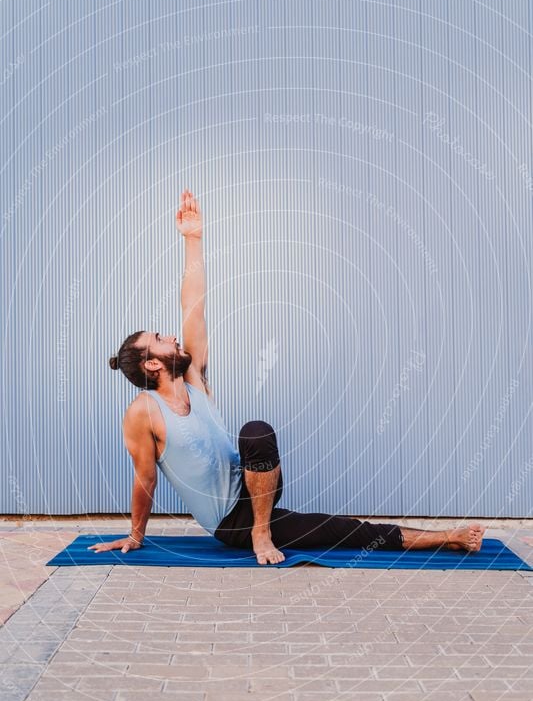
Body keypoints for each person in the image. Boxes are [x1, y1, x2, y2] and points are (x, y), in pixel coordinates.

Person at [91, 190, 485, 565]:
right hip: (233, 524)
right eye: (160, 339)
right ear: (151, 364)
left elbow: (193, 306)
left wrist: (193, 239)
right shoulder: (144, 410)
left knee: (256, 432)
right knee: (344, 530)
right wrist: (136, 536)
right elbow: (145, 479)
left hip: (256, 488)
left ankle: (265, 530)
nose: (172, 336)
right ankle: (449, 536)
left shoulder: (194, 378)